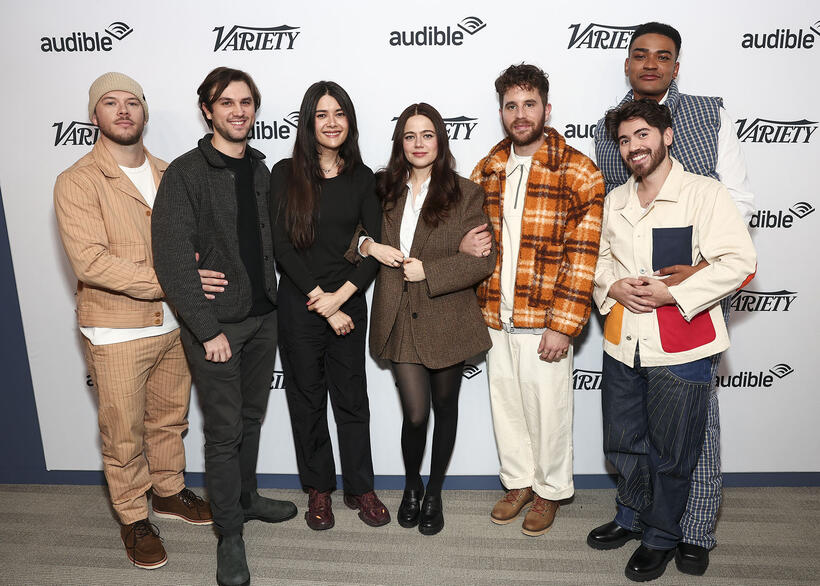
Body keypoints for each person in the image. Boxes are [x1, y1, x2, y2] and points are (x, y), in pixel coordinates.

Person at [589, 22, 756, 576]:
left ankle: (673, 534)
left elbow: (738, 257)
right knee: (624, 440)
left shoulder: (704, 189)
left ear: (667, 137)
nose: (633, 146)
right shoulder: (615, 198)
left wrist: (678, 286)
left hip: (684, 333)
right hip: (623, 339)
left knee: (680, 446)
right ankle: (635, 515)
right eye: (625, 140)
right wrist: (611, 287)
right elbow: (599, 256)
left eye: (644, 136)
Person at [54, 72, 212, 570]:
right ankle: (132, 516)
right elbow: (92, 263)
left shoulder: (169, 173)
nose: (123, 111)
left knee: (169, 419)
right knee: (123, 432)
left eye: (132, 102)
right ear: (93, 115)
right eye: (110, 102)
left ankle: (167, 491)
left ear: (144, 112)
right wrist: (177, 281)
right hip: (117, 329)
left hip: (174, 326)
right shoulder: (78, 180)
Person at [152, 67, 297, 586]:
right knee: (223, 432)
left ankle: (247, 496)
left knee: (251, 419)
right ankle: (229, 533)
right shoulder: (185, 173)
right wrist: (207, 329)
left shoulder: (260, 168)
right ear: (207, 110)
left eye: (246, 102)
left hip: (264, 318)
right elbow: (172, 260)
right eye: (226, 102)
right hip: (218, 328)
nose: (238, 111)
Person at [469, 64, 604, 536]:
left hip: (544, 316)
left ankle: (549, 490)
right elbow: (469, 234)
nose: (520, 114)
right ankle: (518, 482)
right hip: (494, 313)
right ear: (501, 112)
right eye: (511, 105)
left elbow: (583, 256)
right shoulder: (487, 168)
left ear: (547, 109)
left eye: (530, 104)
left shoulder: (578, 171)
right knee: (506, 405)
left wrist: (563, 325)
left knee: (549, 410)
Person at [359, 103, 496, 535]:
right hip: (398, 316)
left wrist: (430, 272)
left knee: (445, 407)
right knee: (416, 415)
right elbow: (350, 232)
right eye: (410, 136)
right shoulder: (382, 189)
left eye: (427, 135)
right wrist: (366, 245)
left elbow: (483, 260)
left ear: (440, 139)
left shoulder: (466, 193)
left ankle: (434, 492)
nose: (418, 144)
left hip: (447, 317)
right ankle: (412, 485)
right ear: (400, 142)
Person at [269, 81, 388, 532]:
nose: (332, 122)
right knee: (307, 399)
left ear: (349, 121)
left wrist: (341, 299)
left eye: (339, 113)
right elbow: (282, 247)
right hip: (300, 305)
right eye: (322, 114)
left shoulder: (363, 178)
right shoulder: (284, 173)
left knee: (353, 400)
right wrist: (324, 303)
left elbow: (373, 247)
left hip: (349, 303)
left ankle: (360, 488)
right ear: (308, 121)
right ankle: (319, 488)